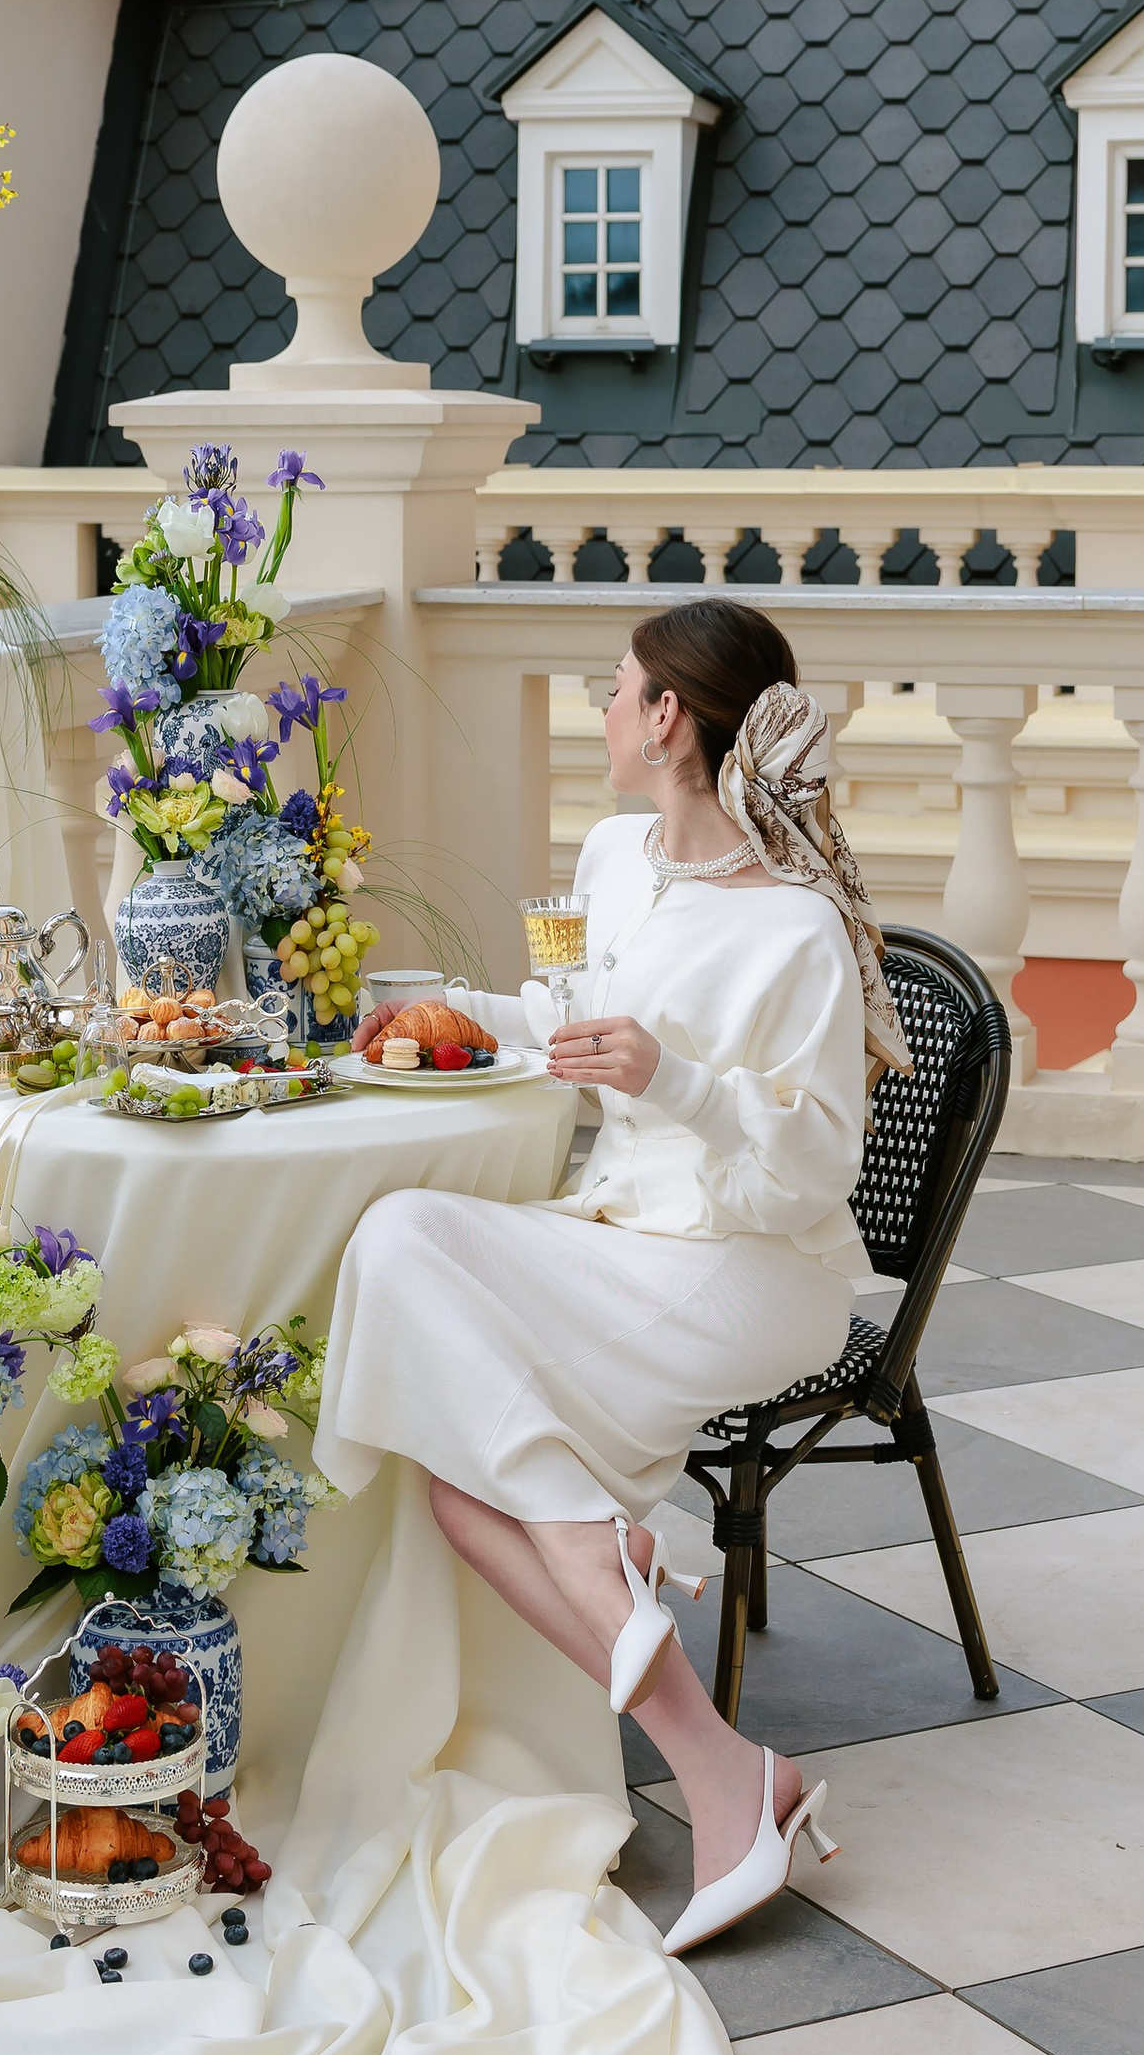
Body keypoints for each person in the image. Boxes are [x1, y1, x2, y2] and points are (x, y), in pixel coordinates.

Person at [313, 596, 911, 1956]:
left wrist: (678, 1080)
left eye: (617, 689)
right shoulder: (615, 856)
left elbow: (810, 1180)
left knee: (436, 1357)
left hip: (745, 1271)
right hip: (618, 1236)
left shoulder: (796, 932)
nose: (599, 709)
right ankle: (720, 1765)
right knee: (454, 1468)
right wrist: (420, 998)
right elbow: (568, 1021)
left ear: (668, 720)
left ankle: (600, 1558)